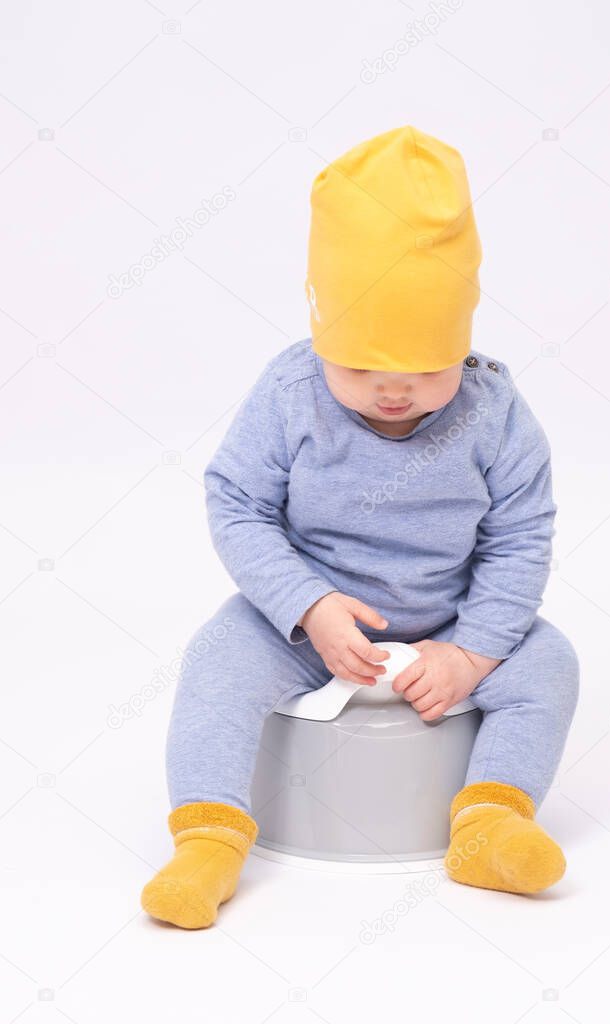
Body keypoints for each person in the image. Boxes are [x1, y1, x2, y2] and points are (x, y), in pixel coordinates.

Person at [141, 125, 579, 929]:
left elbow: (521, 538)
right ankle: (208, 835)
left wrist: (473, 648)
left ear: (462, 340)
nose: (392, 393)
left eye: (425, 371)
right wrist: (307, 603)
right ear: (320, 332)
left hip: (449, 616)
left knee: (548, 664)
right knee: (215, 660)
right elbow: (237, 502)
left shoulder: (495, 412)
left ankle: (489, 819)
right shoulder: (287, 392)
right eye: (359, 369)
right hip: (302, 623)